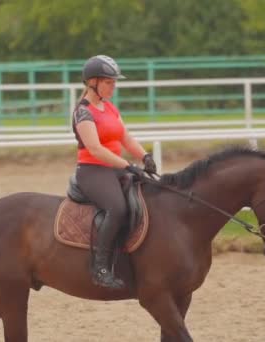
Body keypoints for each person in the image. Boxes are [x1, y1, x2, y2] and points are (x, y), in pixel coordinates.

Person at [72, 55, 157, 289]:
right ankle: (99, 267)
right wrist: (127, 165)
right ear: (93, 82)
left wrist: (144, 156)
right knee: (117, 208)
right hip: (92, 171)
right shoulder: (83, 112)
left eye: (114, 82)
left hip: (115, 168)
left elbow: (125, 137)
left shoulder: (109, 107)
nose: (113, 86)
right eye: (109, 82)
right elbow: (96, 149)